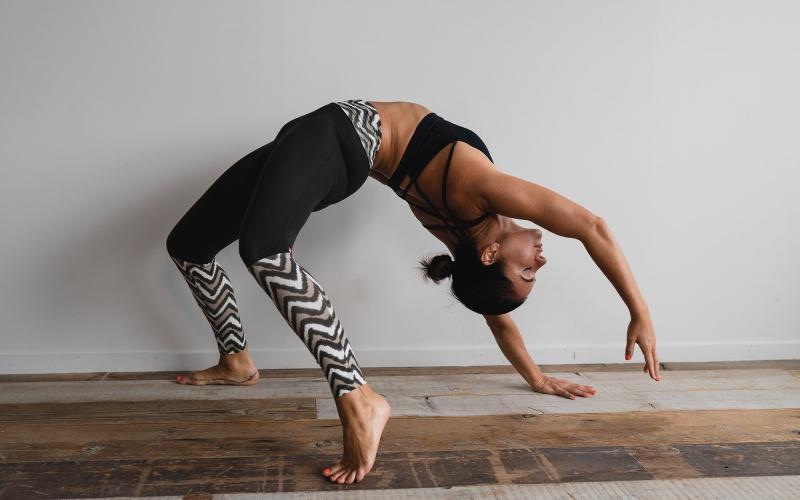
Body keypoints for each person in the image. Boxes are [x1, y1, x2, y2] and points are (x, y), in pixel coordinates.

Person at [165, 99, 660, 485]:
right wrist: (635, 314)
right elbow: (574, 240)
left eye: (529, 273)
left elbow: (586, 230)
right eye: (535, 273)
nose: (541, 262)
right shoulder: (467, 232)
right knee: (188, 246)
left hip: (342, 135)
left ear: (491, 257)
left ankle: (357, 396)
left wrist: (543, 373)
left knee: (265, 248)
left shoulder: (481, 197)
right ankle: (237, 360)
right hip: (320, 135)